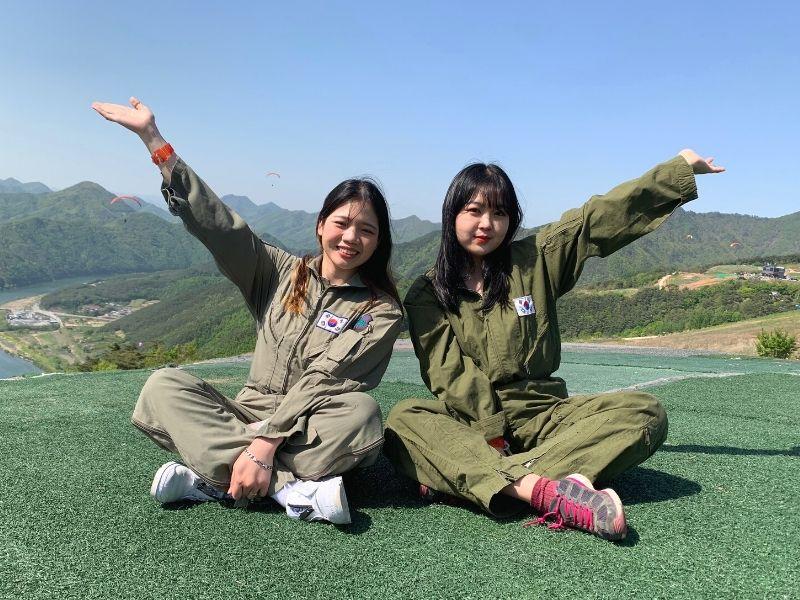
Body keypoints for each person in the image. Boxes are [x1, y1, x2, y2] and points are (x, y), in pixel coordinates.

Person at [92, 97, 403, 524]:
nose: (351, 237)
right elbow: (222, 228)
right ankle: (290, 491)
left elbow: (326, 379)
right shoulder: (279, 271)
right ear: (320, 225)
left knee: (362, 415)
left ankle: (214, 476)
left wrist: (265, 444)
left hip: (310, 426)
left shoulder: (380, 310)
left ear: (378, 241)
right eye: (341, 223)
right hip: (247, 413)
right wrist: (155, 141)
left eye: (366, 230)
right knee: (163, 385)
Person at [384, 150, 724, 540]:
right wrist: (493, 435)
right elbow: (451, 375)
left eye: (499, 213)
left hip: (545, 413)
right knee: (403, 419)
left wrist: (676, 169)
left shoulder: (534, 261)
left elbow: (595, 220)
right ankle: (546, 489)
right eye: (474, 211)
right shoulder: (428, 293)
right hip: (471, 423)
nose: (486, 224)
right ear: (452, 215)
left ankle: (468, 478)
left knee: (645, 413)